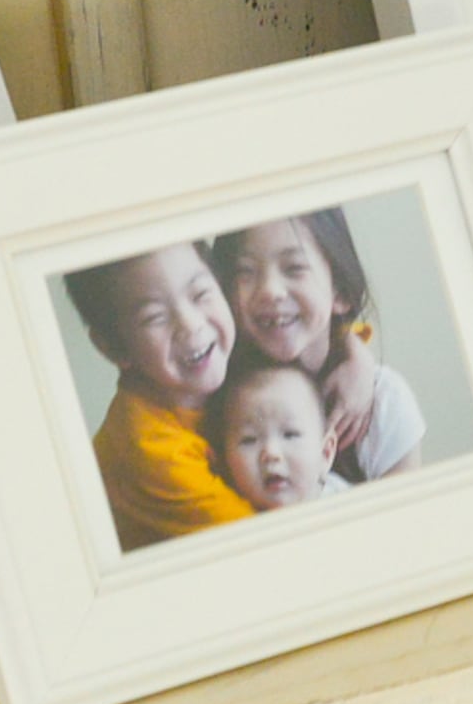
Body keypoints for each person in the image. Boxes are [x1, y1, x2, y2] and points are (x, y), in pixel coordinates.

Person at [62, 244, 252, 550]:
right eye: (155, 317)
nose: (191, 325)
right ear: (113, 348)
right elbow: (260, 543)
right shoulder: (151, 450)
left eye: (200, 294)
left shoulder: (227, 362)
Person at [206, 211, 418, 481]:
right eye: (245, 271)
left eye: (294, 268)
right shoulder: (212, 399)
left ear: (340, 291)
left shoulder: (382, 404)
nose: (270, 290)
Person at [208, 360, 340, 513]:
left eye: (290, 435)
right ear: (224, 462)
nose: (271, 453)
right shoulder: (226, 516)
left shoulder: (347, 503)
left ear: (325, 453)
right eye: (250, 440)